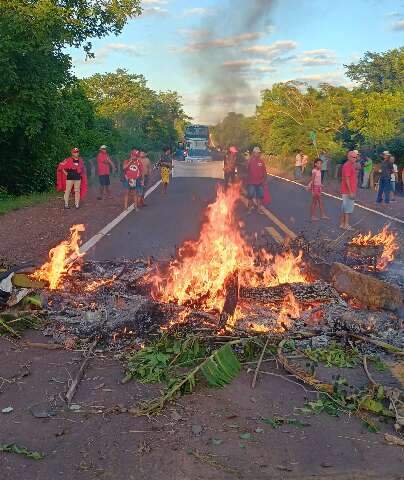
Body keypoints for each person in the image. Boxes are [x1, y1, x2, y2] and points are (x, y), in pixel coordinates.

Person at [340, 150, 358, 230]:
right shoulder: (348, 165)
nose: (355, 159)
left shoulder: (351, 165)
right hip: (348, 191)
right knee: (348, 209)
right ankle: (346, 225)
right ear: (349, 157)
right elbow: (347, 179)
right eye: (353, 157)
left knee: (345, 208)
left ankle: (342, 224)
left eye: (356, 157)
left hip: (347, 190)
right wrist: (350, 192)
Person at [247, 146, 267, 212]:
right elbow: (246, 170)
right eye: (257, 153)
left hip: (260, 182)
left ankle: (259, 209)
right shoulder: (250, 161)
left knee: (260, 196)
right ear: (253, 153)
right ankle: (249, 208)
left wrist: (264, 180)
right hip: (251, 182)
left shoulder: (261, 161)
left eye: (259, 153)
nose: (258, 154)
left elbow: (264, 171)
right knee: (250, 196)